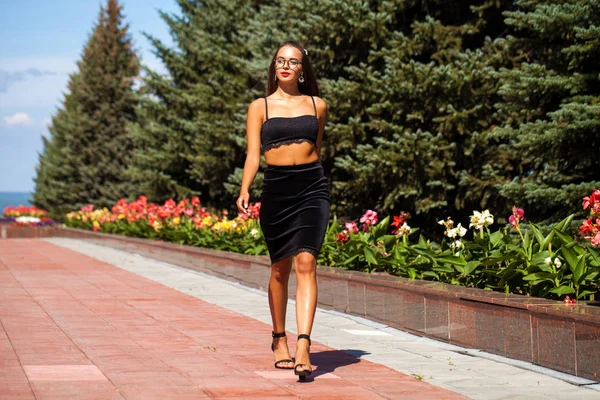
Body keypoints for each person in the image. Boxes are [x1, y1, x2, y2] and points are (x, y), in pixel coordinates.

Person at [236, 40, 329, 380]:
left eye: (293, 61)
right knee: (280, 268)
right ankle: (279, 338)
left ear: (303, 70)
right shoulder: (259, 106)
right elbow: (252, 155)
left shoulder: (318, 105)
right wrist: (245, 187)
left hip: (312, 187)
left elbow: (316, 147)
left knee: (307, 261)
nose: (286, 65)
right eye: (280, 60)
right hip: (276, 189)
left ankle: (304, 343)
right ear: (274, 66)